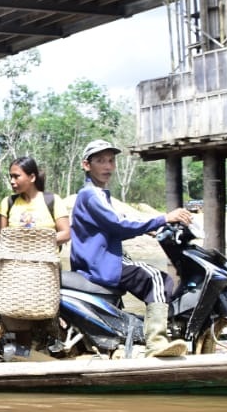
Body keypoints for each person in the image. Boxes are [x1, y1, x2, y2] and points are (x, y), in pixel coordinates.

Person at [70, 139, 194, 358]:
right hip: (102, 263)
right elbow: (118, 226)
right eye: (100, 161)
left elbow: (113, 221)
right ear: (86, 165)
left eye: (111, 161)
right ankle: (156, 341)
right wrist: (163, 218)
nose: (108, 166)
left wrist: (150, 228)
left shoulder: (97, 194)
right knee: (159, 279)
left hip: (97, 260)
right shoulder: (91, 194)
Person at [0, 156, 71, 248]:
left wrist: (35, 243)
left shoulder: (53, 200)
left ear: (32, 177)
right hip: (15, 261)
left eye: (16, 176)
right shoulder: (7, 203)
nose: (12, 181)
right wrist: (19, 244)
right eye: (11, 177)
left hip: (45, 260)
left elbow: (66, 234)